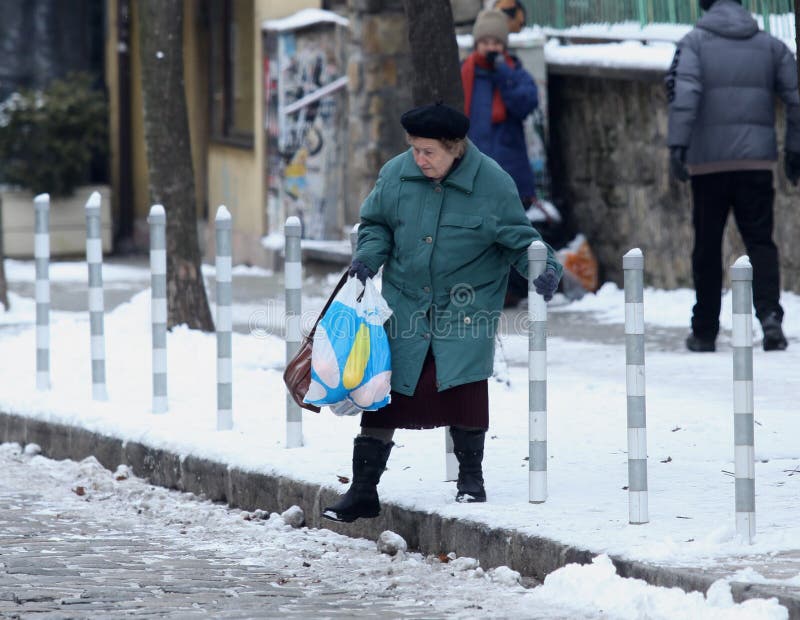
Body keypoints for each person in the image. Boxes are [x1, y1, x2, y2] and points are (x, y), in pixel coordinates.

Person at [323, 102, 562, 523]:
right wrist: (368, 258)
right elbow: (376, 223)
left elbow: (519, 239)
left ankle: (472, 481)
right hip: (407, 303)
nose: (419, 159)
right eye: (415, 149)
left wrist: (543, 270)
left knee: (463, 388)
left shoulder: (492, 183)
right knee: (385, 391)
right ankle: (363, 491)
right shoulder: (397, 174)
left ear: (455, 147)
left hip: (465, 306)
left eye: (429, 152)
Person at [666, 0, 800, 352]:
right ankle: (770, 317)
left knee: (707, 245)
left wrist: (677, 146)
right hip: (756, 163)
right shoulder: (770, 44)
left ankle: (705, 330)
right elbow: (795, 95)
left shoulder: (694, 43)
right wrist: (794, 147)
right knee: (760, 241)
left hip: (708, 165)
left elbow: (685, 93)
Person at [461, 9, 541, 307]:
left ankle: (513, 290)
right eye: (486, 41)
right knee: (479, 236)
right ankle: (486, 289)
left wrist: (503, 73)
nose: (491, 47)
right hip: (474, 170)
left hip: (510, 169)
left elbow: (526, 103)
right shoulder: (465, 73)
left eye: (497, 41)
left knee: (510, 234)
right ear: (477, 43)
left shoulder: (513, 71)